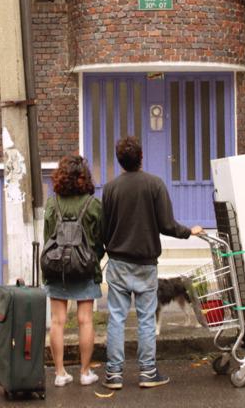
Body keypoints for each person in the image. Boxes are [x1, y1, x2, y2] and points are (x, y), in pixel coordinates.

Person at [101, 136, 203, 389]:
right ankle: (147, 372)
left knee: (116, 318)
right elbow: (167, 225)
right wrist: (188, 232)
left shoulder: (110, 189)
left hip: (118, 262)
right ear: (141, 158)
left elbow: (104, 228)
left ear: (119, 160)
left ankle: (113, 374)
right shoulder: (154, 185)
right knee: (147, 319)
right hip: (145, 264)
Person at [42, 154, 104, 387]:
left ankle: (60, 373)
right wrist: (94, 259)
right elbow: (99, 239)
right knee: (85, 320)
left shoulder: (52, 203)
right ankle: (85, 372)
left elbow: (48, 236)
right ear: (84, 177)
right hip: (85, 267)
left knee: (57, 321)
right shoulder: (93, 204)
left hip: (57, 267)